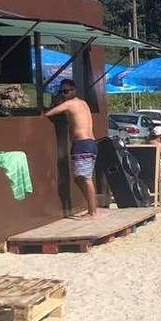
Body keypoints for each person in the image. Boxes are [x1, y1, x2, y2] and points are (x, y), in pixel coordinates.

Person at [43, 79, 99, 218]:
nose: (64, 94)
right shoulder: (83, 103)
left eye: (66, 91)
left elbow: (47, 113)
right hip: (90, 143)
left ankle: (93, 211)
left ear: (74, 90)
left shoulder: (69, 104)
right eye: (62, 92)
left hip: (81, 143)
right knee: (80, 178)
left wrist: (55, 100)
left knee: (85, 178)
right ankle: (92, 208)